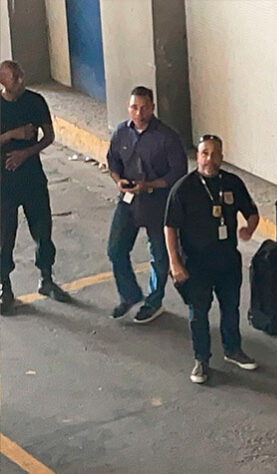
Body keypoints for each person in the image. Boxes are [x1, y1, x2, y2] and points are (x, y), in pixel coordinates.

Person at [164, 134, 260, 384]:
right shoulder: (183, 189)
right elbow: (170, 227)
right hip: (195, 264)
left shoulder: (233, 183)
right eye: (205, 153)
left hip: (227, 260)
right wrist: (175, 263)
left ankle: (233, 350)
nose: (209, 159)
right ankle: (201, 360)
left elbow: (251, 211)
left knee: (230, 308)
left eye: (214, 153)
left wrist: (249, 229)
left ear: (222, 156)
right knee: (199, 312)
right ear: (198, 156)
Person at [106, 86, 187, 323]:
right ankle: (129, 294)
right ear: (128, 108)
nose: (139, 113)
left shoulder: (167, 137)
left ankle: (154, 302)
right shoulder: (121, 132)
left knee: (159, 254)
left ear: (152, 108)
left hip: (157, 203)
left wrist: (151, 185)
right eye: (134, 107)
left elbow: (179, 172)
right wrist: (118, 181)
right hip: (129, 200)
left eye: (144, 108)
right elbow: (112, 161)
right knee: (116, 249)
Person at [0, 60, 71, 315]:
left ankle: (46, 278)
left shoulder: (35, 101)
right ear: (2, 82)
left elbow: (49, 136)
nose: (20, 80)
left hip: (32, 179)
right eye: (14, 77)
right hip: (4, 184)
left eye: (21, 75)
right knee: (4, 236)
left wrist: (26, 153)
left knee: (42, 229)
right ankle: (4, 287)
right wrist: (11, 136)